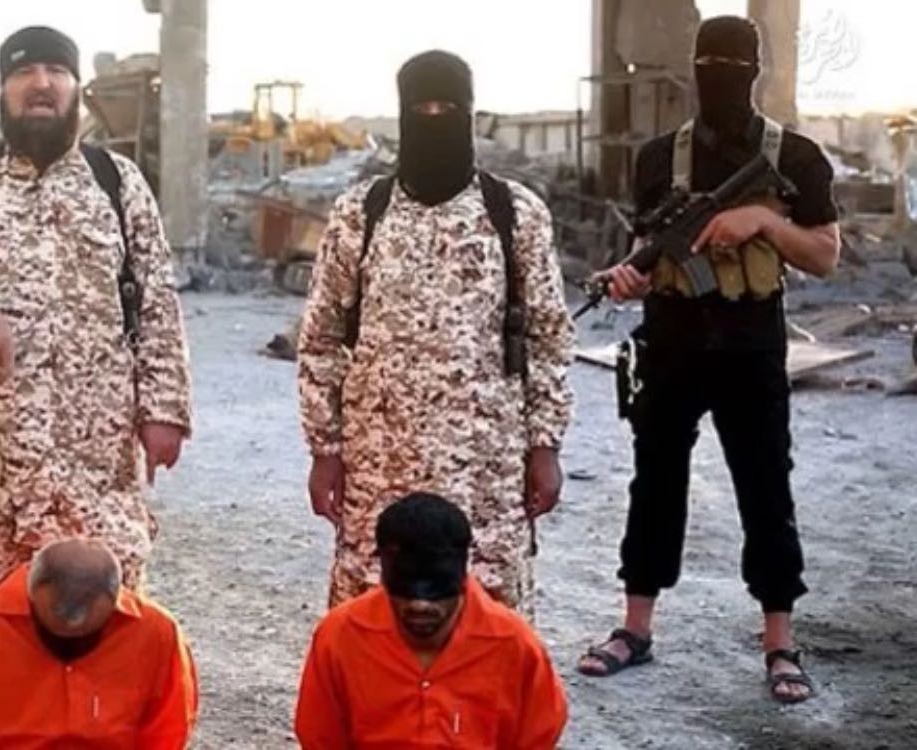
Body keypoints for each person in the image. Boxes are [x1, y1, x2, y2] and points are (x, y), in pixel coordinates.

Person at [0, 26, 193, 630]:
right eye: (25, 73)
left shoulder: (117, 182)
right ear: (3, 90)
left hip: (93, 455)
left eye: (57, 72)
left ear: (76, 89)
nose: (42, 85)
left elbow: (156, 298)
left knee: (103, 617)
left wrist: (164, 409)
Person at [576, 16, 841, 704]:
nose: (717, 78)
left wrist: (764, 222)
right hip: (672, 341)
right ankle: (635, 629)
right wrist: (627, 278)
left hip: (752, 345)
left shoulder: (794, 157)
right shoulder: (658, 158)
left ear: (755, 73)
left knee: (765, 487)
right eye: (708, 65)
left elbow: (824, 255)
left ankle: (779, 643)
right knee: (654, 483)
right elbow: (650, 252)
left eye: (731, 66)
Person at [296, 50, 575, 616]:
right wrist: (325, 451)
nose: (433, 119)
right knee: (373, 610)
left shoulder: (514, 213)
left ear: (469, 114)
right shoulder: (361, 213)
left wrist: (544, 446)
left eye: (446, 108)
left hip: (486, 469)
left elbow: (548, 338)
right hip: (380, 465)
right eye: (420, 109)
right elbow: (322, 339)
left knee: (488, 611)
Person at [294, 493, 567, 749]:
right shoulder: (340, 637)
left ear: (462, 575)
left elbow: (537, 738)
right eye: (406, 589)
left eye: (437, 590)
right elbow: (320, 739)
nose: (420, 605)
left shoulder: (514, 646)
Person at [0, 538, 198, 749]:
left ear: (116, 601)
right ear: (30, 593)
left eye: (87, 636)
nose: (67, 648)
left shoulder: (156, 634)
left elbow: (167, 733)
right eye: (50, 631)